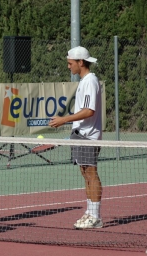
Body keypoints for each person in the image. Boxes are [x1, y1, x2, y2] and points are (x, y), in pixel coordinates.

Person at [49, 46, 103, 229]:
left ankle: (95, 216)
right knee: (85, 174)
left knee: (91, 173)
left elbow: (89, 111)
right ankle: (90, 212)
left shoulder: (90, 81)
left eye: (70, 63)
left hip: (89, 136)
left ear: (81, 62)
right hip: (80, 135)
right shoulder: (84, 81)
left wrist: (64, 119)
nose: (68, 67)